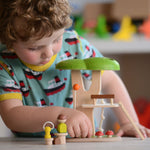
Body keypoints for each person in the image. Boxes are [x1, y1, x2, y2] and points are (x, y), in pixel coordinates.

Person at [0, 0, 150, 138]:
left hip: (83, 140)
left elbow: (109, 79)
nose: (49, 52)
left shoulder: (74, 45)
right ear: (10, 41)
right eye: (34, 47)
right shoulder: (5, 63)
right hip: (33, 145)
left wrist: (128, 122)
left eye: (56, 39)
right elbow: (12, 115)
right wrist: (59, 114)